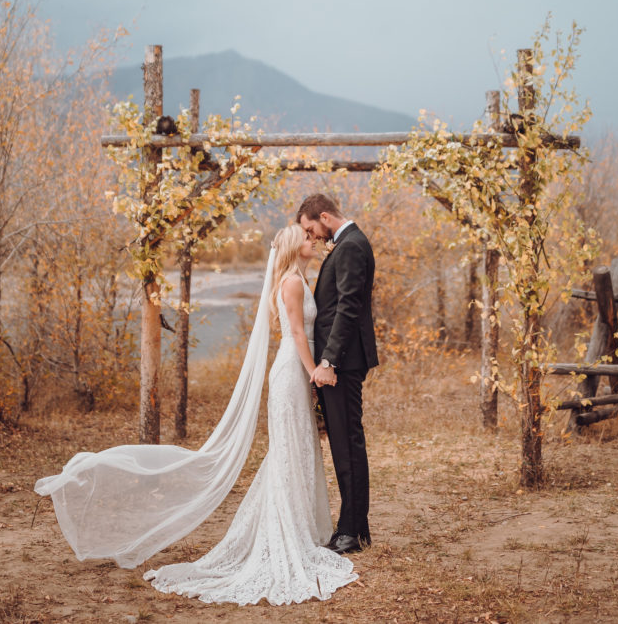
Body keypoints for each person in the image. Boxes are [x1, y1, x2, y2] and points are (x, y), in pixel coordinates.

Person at [35, 224, 357, 606]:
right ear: (293, 246)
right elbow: (299, 337)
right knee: (289, 451)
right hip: (291, 370)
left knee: (297, 450)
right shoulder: (289, 282)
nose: (313, 241)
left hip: (295, 372)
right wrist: (314, 374)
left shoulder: (299, 278)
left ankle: (300, 527)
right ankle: (284, 530)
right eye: (307, 238)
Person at [297, 193, 378, 556]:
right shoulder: (347, 243)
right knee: (345, 444)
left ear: (325, 216)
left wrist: (328, 361)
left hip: (342, 362)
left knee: (347, 444)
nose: (310, 236)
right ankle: (356, 529)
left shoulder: (350, 246)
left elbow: (348, 306)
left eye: (310, 228)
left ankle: (350, 532)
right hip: (340, 360)